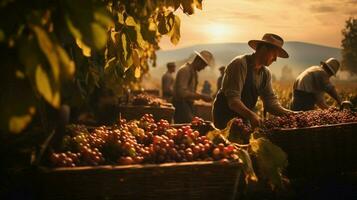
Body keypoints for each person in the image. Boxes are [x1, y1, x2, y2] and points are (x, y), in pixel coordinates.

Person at [212, 33, 295, 129]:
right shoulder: (240, 64)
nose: (276, 59)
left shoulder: (265, 73)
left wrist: (290, 114)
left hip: (242, 118)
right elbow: (233, 101)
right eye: (274, 54)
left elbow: (270, 102)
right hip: (225, 118)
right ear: (263, 49)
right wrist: (251, 115)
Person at [173, 50, 214, 123]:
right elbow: (182, 93)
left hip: (187, 106)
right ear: (198, 61)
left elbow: (190, 91)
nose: (203, 68)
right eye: (203, 65)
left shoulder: (193, 72)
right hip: (181, 107)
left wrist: (202, 96)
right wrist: (201, 96)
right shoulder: (185, 70)